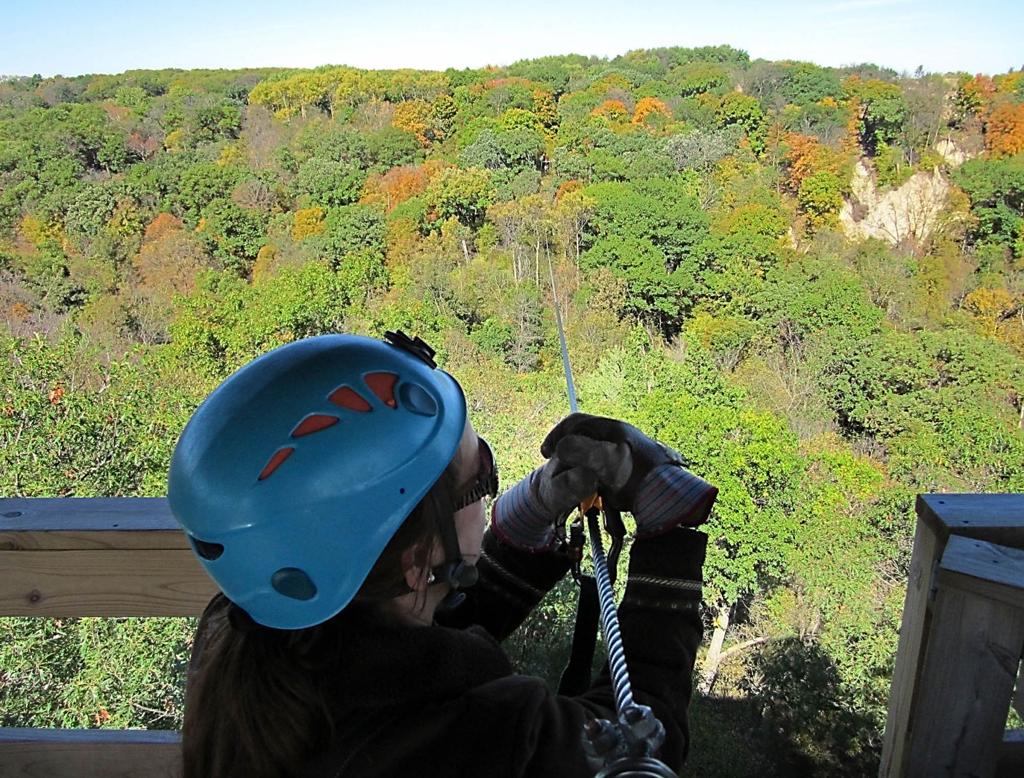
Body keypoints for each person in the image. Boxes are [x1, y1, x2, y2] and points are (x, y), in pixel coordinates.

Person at [168, 331, 717, 778]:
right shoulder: (492, 737)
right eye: (480, 477)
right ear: (418, 556)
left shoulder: (241, 644)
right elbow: (642, 744)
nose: (491, 484)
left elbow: (407, 646)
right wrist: (669, 536)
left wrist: (528, 521)